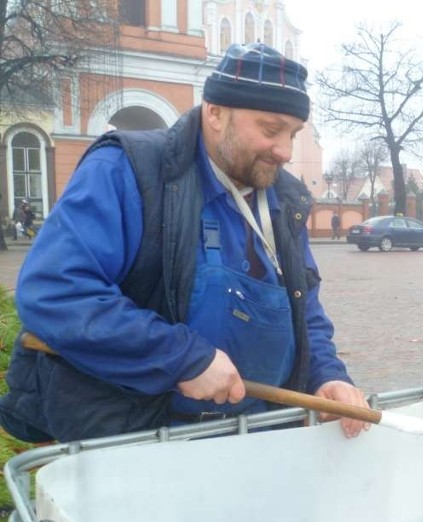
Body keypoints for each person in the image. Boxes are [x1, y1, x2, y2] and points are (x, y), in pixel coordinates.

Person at [0, 43, 370, 442]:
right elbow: (56, 292)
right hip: (142, 444)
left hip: (259, 437)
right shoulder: (127, 170)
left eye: (294, 134)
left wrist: (326, 374)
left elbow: (305, 309)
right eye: (270, 129)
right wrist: (180, 358)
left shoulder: (285, 199)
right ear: (215, 112)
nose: (284, 151)